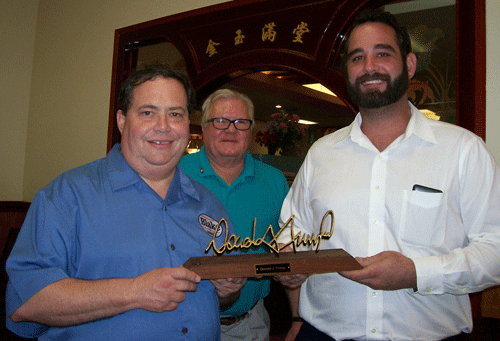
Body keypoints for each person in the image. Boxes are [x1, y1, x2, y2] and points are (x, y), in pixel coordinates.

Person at [275, 10, 500, 341]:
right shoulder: (321, 154)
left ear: (409, 65)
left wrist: (416, 273)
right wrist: (290, 268)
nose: (369, 67)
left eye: (382, 53)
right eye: (357, 58)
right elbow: (291, 236)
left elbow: (495, 250)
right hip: (323, 335)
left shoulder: (463, 150)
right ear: (348, 71)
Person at [5, 65, 245, 340]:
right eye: (147, 112)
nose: (163, 126)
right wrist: (133, 292)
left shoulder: (209, 204)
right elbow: (25, 303)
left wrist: (228, 290)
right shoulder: (68, 195)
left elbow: (222, 299)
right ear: (122, 120)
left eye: (175, 114)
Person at [180, 89, 290, 340]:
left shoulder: (274, 181)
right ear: (204, 127)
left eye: (241, 122)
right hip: (181, 321)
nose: (230, 129)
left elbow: (286, 248)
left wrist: (295, 318)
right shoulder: (174, 173)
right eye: (220, 121)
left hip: (249, 325)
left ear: (251, 131)